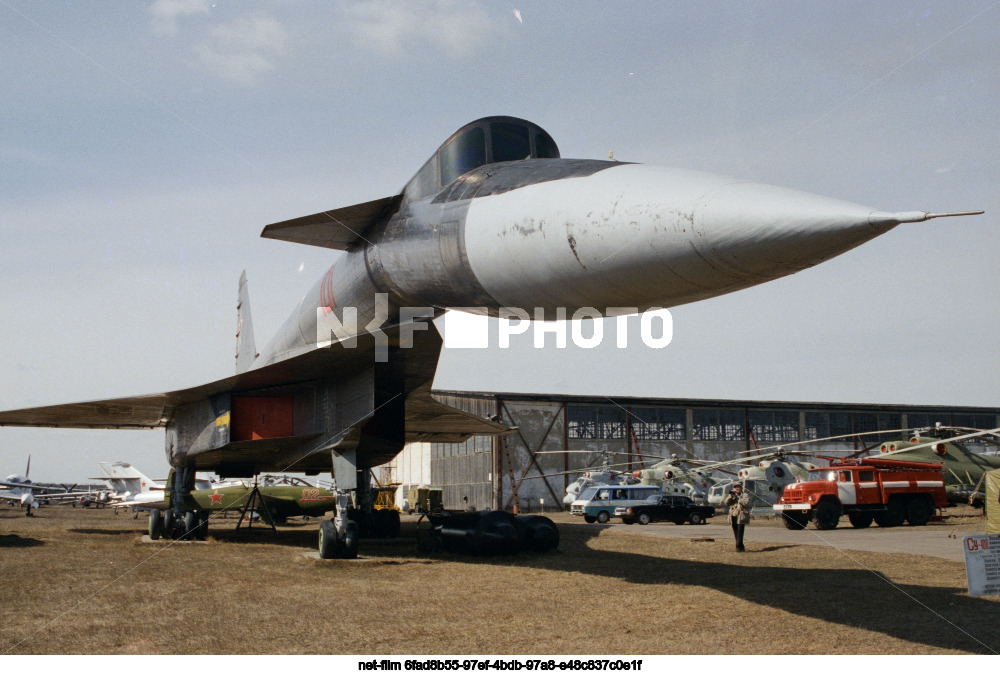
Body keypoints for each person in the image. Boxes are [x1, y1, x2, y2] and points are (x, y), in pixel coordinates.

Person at [724, 483, 751, 552]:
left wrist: (738, 497)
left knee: (740, 532)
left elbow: (746, 503)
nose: (736, 489)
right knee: (735, 532)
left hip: (740, 516)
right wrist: (731, 496)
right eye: (735, 487)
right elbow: (726, 503)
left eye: (738, 487)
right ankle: (740, 547)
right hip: (733, 516)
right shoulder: (733, 496)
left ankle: (738, 546)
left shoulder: (745, 495)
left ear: (741, 488)